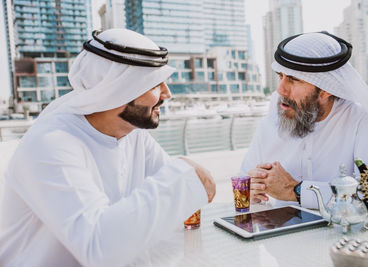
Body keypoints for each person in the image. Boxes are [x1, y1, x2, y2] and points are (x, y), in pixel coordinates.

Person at [0, 29, 216, 267]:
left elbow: (176, 210)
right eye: (156, 84)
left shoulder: (132, 135)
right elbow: (98, 248)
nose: (167, 93)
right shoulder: (51, 142)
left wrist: (183, 183)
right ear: (121, 89)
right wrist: (183, 176)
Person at [240, 32, 368, 210]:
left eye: (294, 80)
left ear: (326, 90)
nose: (281, 90)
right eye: (280, 76)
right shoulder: (272, 120)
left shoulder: (361, 120)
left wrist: (297, 191)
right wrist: (252, 190)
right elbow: (242, 180)